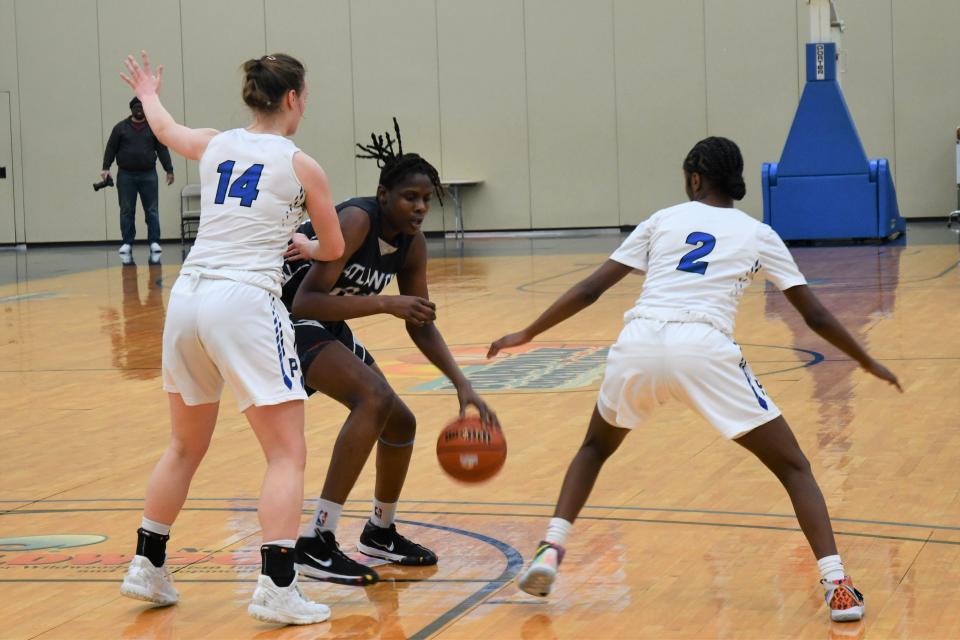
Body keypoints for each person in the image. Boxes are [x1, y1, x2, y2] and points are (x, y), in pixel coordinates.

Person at [488, 137, 903, 623]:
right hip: (704, 347)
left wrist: (527, 332)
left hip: (639, 341)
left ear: (694, 179)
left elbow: (589, 289)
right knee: (794, 468)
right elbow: (814, 315)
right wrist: (865, 358)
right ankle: (838, 586)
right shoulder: (758, 233)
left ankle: (550, 551)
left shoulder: (662, 219)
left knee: (594, 449)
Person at [116, 51, 345, 626]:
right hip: (244, 301)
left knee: (184, 446)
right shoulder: (302, 165)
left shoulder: (217, 144)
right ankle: (277, 585)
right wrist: (309, 246)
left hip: (188, 298)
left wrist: (148, 89)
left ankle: (147, 564)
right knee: (286, 452)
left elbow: (165, 128)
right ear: (292, 98)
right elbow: (335, 247)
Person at [280, 119, 498, 585]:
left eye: (426, 199)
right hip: (281, 317)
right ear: (384, 195)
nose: (420, 207)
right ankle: (316, 541)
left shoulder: (412, 245)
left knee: (400, 420)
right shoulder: (357, 220)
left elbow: (420, 321)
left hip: (324, 320)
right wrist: (385, 302)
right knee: (373, 398)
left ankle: (379, 532)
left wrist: (464, 386)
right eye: (409, 197)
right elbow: (306, 301)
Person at [101, 96, 175, 256]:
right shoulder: (120, 128)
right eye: (136, 107)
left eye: (142, 107)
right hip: (126, 176)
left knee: (152, 210)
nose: (139, 110)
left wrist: (169, 169)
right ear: (131, 109)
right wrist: (105, 167)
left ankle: (154, 241)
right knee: (127, 210)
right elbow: (111, 148)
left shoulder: (153, 128)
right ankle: (127, 243)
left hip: (148, 175)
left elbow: (162, 149)